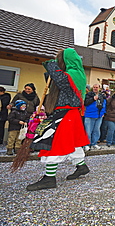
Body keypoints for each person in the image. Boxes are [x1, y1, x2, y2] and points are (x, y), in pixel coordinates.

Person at [26, 48, 90, 191]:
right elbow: (58, 82)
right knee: (73, 143)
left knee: (53, 142)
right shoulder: (76, 73)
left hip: (66, 114)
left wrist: (52, 65)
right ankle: (81, 166)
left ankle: (49, 178)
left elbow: (61, 81)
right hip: (70, 115)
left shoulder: (73, 73)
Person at [83, 84, 106, 151]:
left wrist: (102, 113)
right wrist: (93, 99)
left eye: (96, 87)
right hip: (89, 115)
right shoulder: (88, 95)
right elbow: (85, 103)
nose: (95, 88)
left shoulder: (101, 96)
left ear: (99, 88)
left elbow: (104, 105)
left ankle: (94, 143)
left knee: (96, 130)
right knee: (88, 131)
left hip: (98, 115)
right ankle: (87, 145)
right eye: (94, 87)